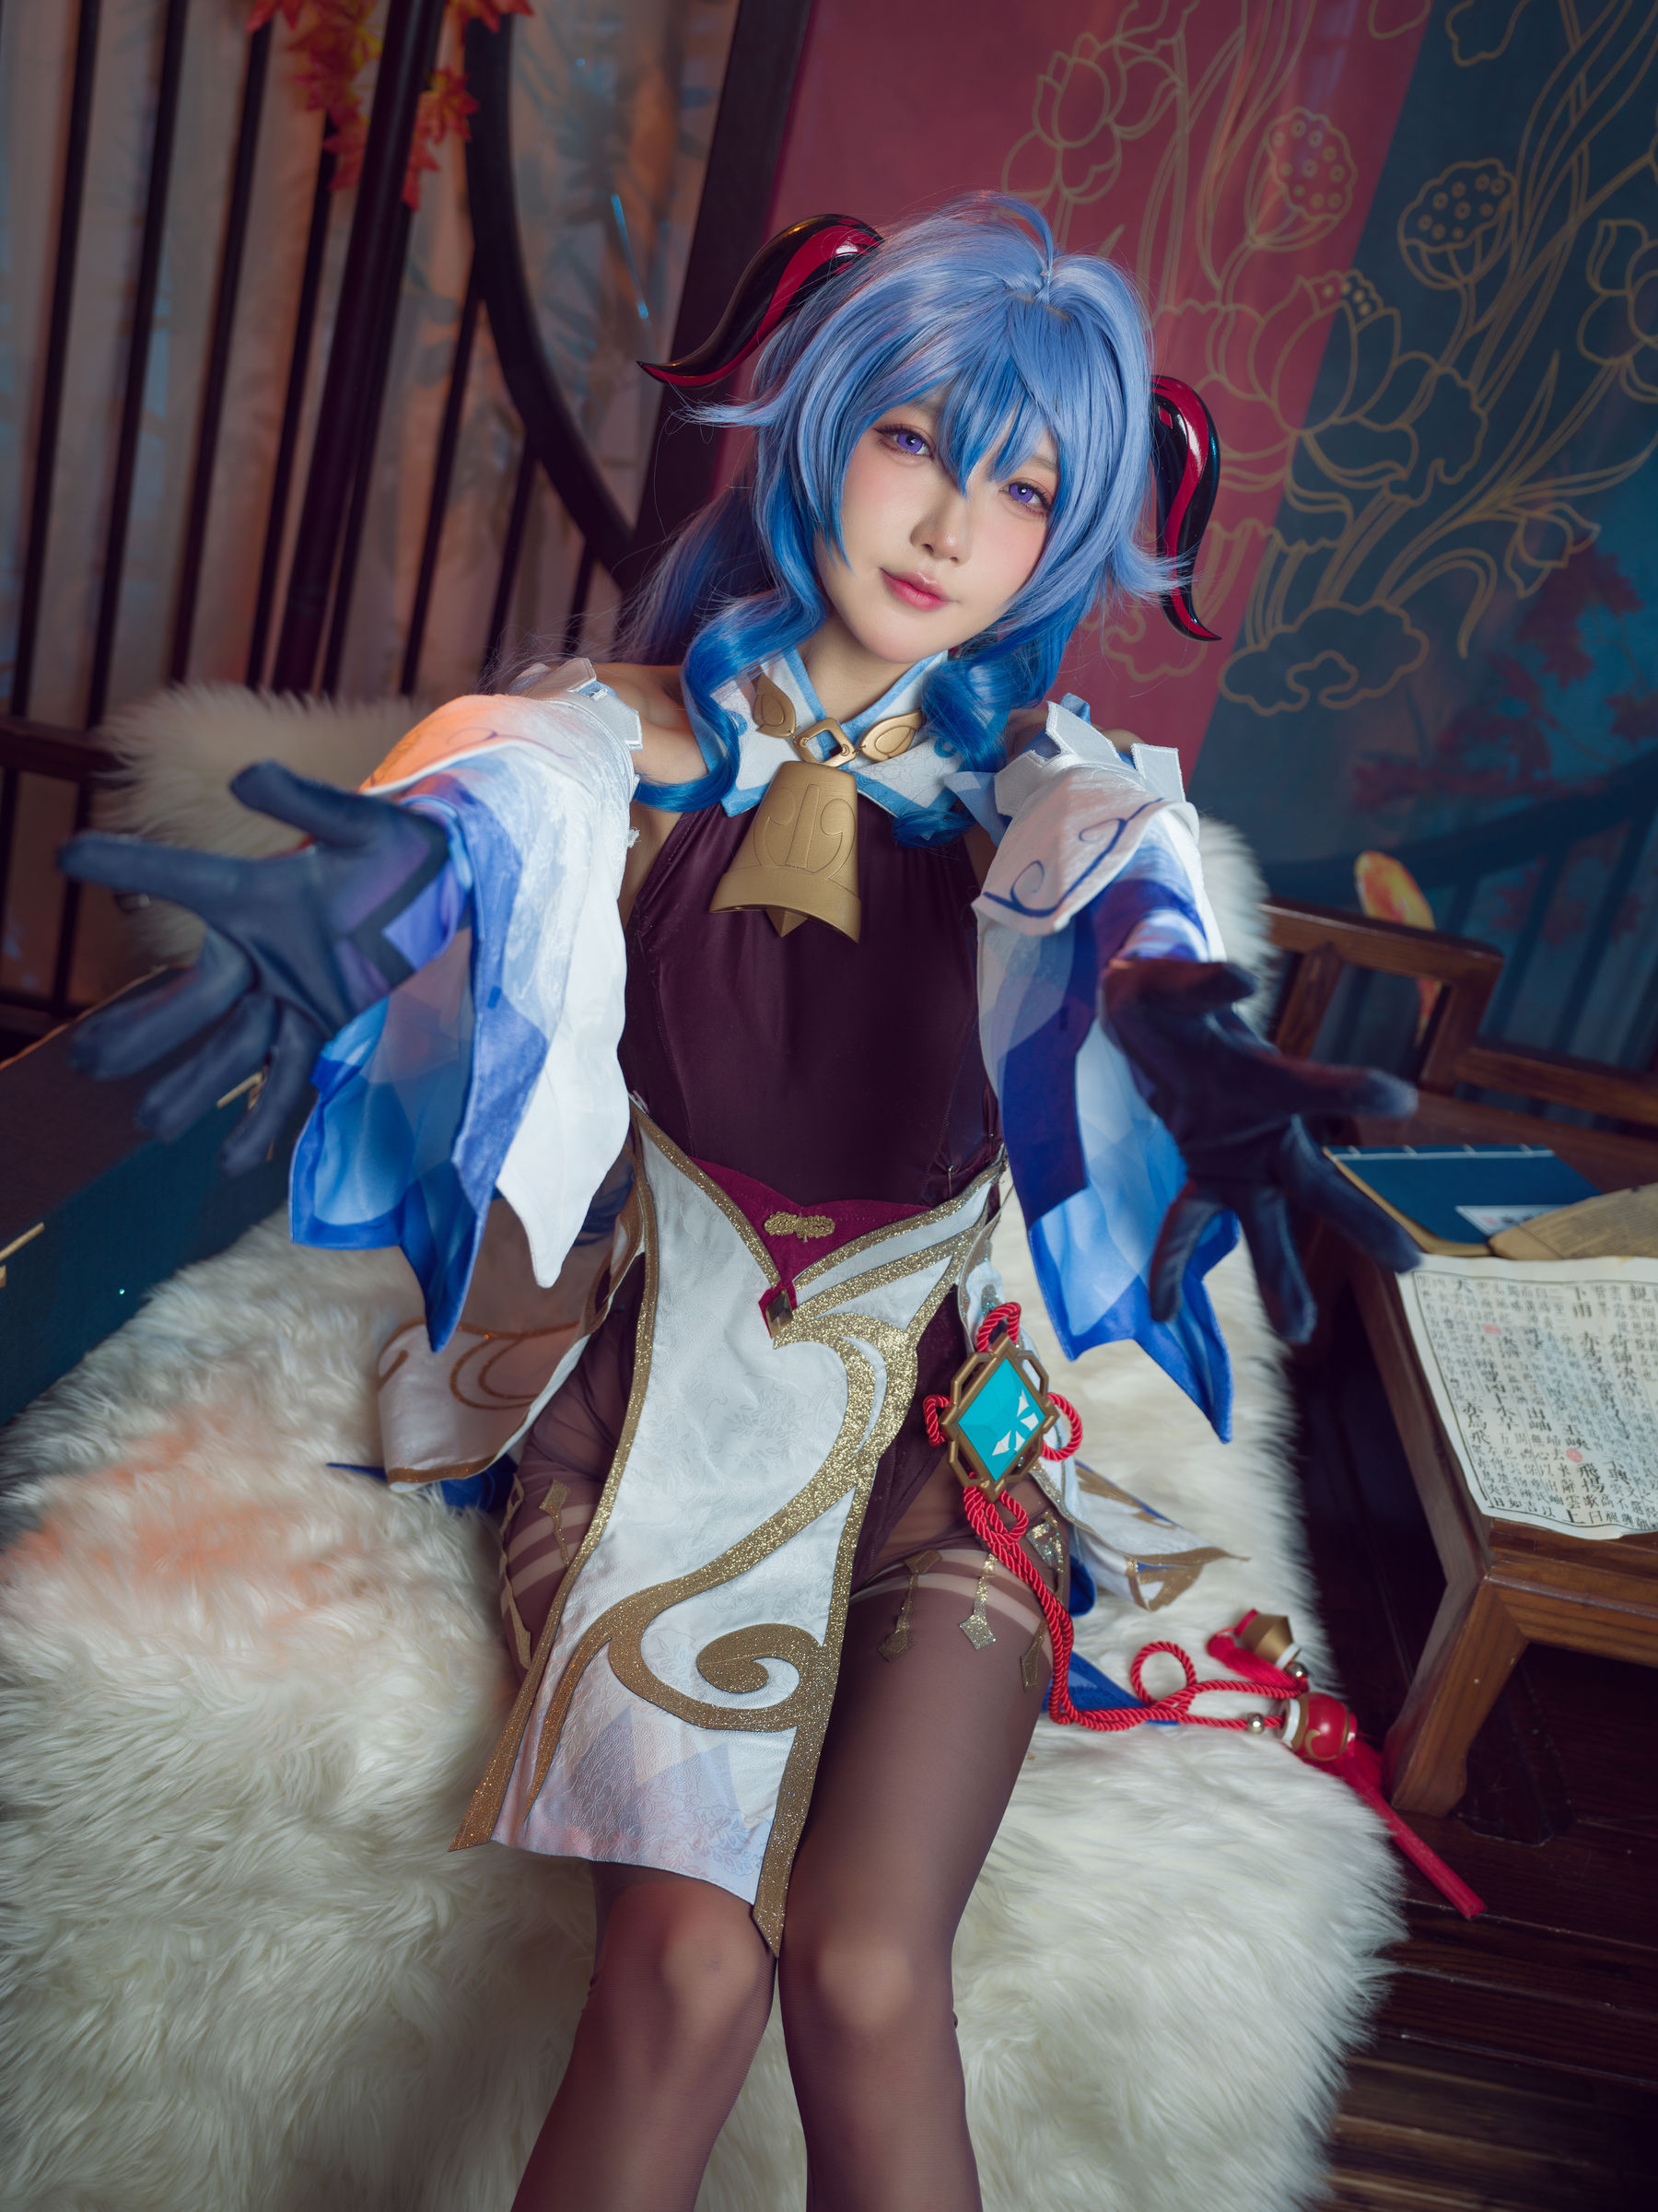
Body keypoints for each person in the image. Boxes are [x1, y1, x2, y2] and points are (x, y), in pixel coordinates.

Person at [61, 195, 1416, 2212]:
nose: (950, 525)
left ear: (1069, 537)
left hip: (946, 1453)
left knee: (867, 1968)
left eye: (1025, 489)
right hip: (640, 1438)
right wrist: (351, 911)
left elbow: (1116, 910)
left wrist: (1172, 1048)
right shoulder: (606, 742)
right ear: (825, 422)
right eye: (916, 441)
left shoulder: (1058, 798)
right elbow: (473, 815)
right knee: (690, 1976)